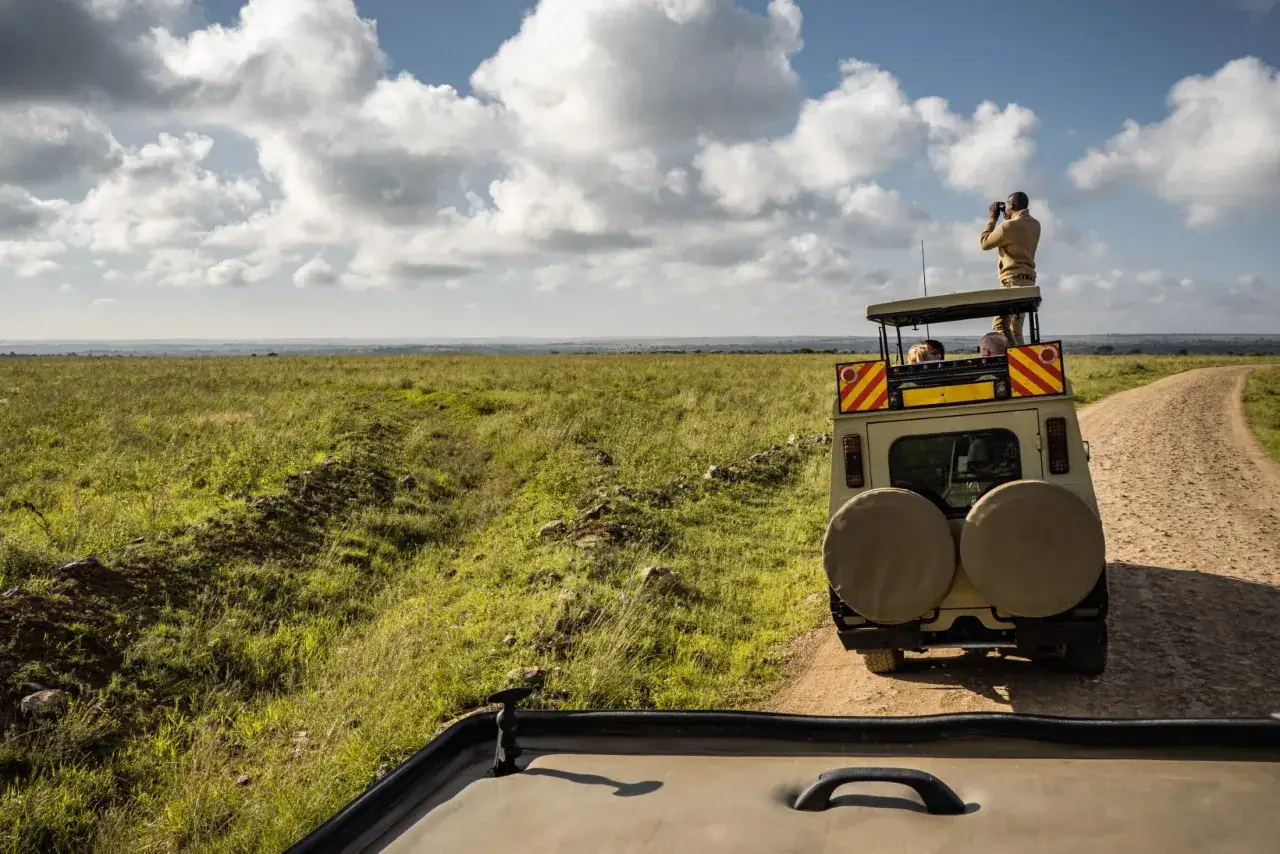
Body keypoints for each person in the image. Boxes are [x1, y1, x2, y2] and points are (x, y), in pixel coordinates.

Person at [979, 191, 1040, 346]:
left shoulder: (1008, 227)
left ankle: (1013, 362)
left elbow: (984, 243)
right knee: (1015, 330)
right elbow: (1018, 232)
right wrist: (1010, 216)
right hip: (1028, 281)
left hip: (1012, 280)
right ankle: (1024, 364)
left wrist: (993, 218)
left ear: (1012, 206)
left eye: (1006, 207)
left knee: (1000, 325)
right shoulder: (1035, 225)